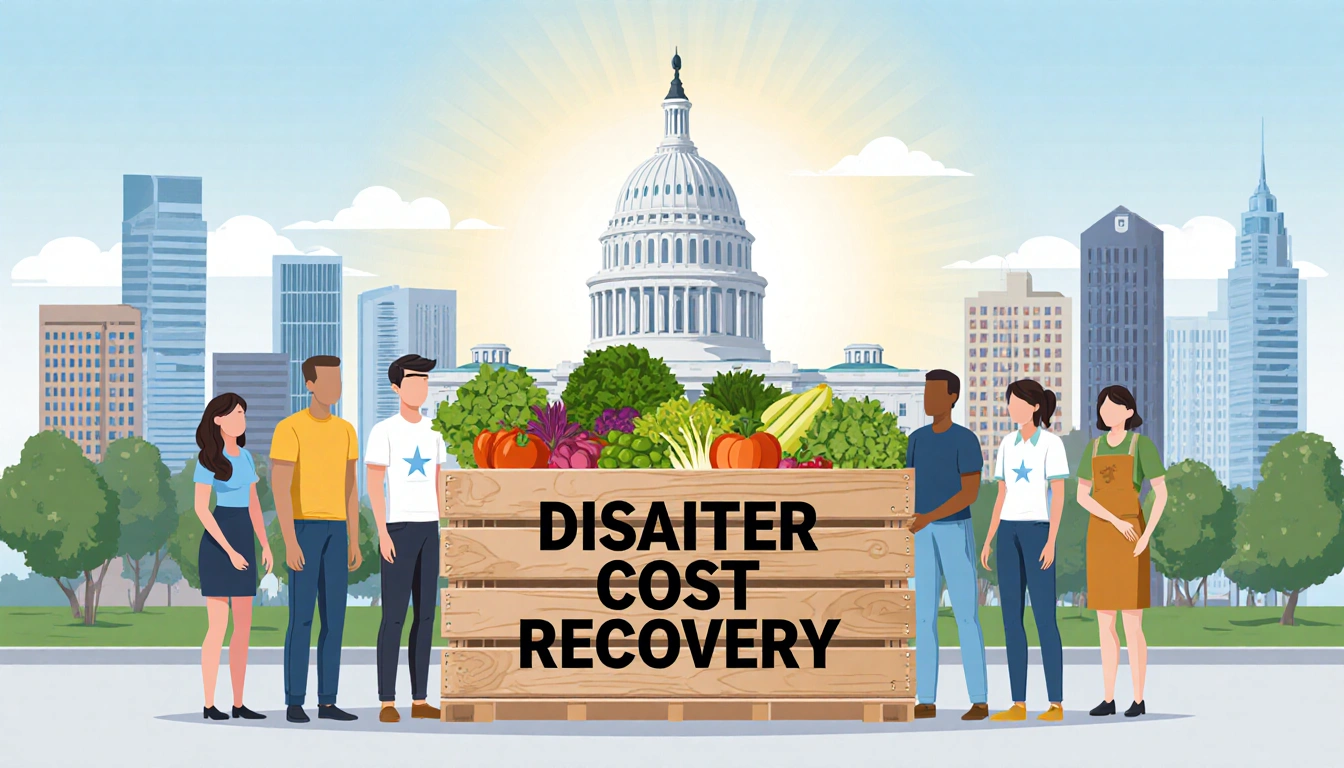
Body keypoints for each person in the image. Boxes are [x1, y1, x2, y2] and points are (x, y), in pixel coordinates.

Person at [271, 355, 362, 724]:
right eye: (327, 381)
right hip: (305, 529)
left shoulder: (346, 430)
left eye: (338, 381)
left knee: (335, 620)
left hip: (337, 530)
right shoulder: (290, 428)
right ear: (310, 385)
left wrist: (354, 538)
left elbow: (351, 487)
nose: (334, 388)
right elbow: (280, 487)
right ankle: (295, 700)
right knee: (302, 619)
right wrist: (290, 541)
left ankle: (328, 700)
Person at [366, 354, 448, 723]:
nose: (421, 386)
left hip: (429, 528)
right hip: (398, 529)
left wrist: (443, 527)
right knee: (394, 617)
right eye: (414, 379)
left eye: (426, 379)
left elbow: (438, 483)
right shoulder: (383, 431)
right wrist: (381, 531)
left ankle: (419, 699)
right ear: (396, 386)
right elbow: (374, 485)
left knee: (426, 616)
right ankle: (387, 700)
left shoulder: (435, 434)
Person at [1077, 384, 1167, 719]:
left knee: (1132, 624)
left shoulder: (1141, 446)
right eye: (1103, 405)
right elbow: (1082, 496)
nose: (1107, 411)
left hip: (1132, 537)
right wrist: (1114, 520)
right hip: (1102, 535)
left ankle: (1139, 698)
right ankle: (1108, 697)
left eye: (1115, 406)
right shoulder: (1094, 447)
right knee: (1104, 624)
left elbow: (1161, 493)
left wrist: (1146, 536)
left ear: (1129, 412)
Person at [981, 379, 1068, 722]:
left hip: (1037, 531)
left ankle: (1056, 703)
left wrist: (1051, 540)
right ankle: (1018, 703)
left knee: (1045, 618)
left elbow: (1058, 494)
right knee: (1010, 621)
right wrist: (989, 538)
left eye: (1017, 403)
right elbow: (1000, 495)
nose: (1011, 408)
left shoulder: (1051, 444)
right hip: (1008, 532)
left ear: (1035, 406)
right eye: (1009, 403)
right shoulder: (1006, 444)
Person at [906, 369, 989, 721]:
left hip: (954, 531)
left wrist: (929, 516)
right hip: (920, 534)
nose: (928, 400)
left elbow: (969, 493)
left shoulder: (965, 440)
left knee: (966, 615)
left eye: (935, 394)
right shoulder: (916, 439)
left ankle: (980, 700)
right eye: (925, 393)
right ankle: (925, 698)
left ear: (952, 397)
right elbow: (908, 484)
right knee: (923, 616)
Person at [193, 393, 274, 721]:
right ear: (218, 420)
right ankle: (210, 703)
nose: (241, 418)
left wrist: (265, 544)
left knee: (243, 628)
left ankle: (239, 702)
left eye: (244, 412)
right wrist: (228, 550)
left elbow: (254, 505)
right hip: (218, 539)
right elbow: (201, 508)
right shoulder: (207, 459)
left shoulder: (247, 458)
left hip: (244, 534)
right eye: (235, 412)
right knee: (218, 627)